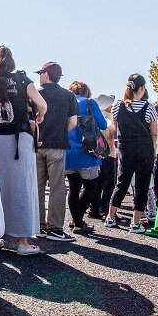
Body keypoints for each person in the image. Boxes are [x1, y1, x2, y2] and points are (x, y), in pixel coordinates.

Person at [0, 46, 47, 255]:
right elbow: (42, 104)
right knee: (22, 189)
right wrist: (38, 117)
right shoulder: (22, 80)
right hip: (18, 141)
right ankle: (23, 242)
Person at [105, 74, 158, 233]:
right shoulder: (149, 108)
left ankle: (110, 217)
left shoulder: (117, 106)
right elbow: (154, 133)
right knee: (141, 185)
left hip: (125, 149)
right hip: (144, 150)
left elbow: (117, 128)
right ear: (142, 88)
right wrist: (154, 151)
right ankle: (135, 223)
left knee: (121, 183)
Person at [36, 62, 79, 242]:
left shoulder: (36, 93)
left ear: (46, 75)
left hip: (37, 145)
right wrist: (61, 132)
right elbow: (73, 123)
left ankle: (38, 225)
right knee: (57, 187)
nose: (39, 76)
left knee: (37, 187)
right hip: (58, 145)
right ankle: (55, 228)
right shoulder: (68, 95)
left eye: (41, 73)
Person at [65, 82, 107, 234]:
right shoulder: (89, 103)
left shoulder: (66, 102)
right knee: (90, 187)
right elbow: (102, 124)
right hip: (87, 152)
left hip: (68, 152)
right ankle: (77, 221)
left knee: (73, 188)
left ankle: (76, 221)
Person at [90, 94, 116, 219]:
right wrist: (112, 148)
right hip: (108, 154)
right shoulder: (107, 119)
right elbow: (110, 137)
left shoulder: (93, 117)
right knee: (109, 184)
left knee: (97, 183)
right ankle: (105, 208)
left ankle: (93, 208)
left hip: (95, 154)